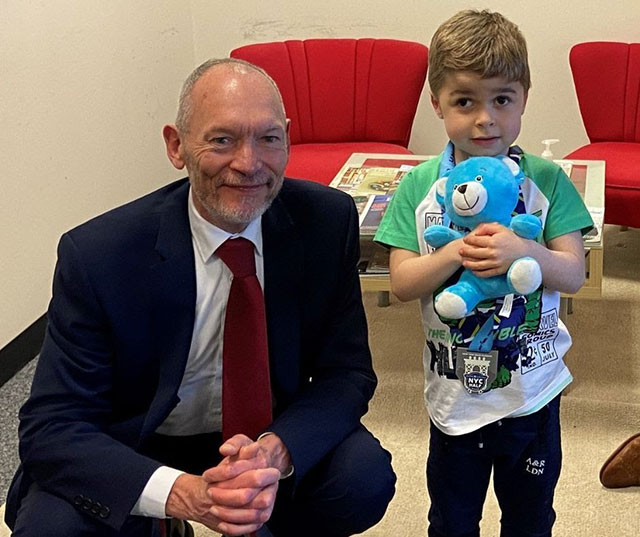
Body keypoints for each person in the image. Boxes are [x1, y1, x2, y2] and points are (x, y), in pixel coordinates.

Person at [5, 58, 396, 537]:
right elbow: (51, 424)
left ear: (287, 139)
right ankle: (161, 524)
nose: (249, 163)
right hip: (140, 439)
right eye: (222, 140)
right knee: (49, 530)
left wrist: (277, 450)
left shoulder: (325, 221)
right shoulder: (99, 254)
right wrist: (180, 495)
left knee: (363, 479)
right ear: (177, 146)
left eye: (269, 138)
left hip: (265, 432)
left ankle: (263, 518)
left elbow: (347, 372)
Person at [375, 9, 593, 537]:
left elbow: (573, 274)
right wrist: (458, 254)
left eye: (502, 99)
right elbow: (402, 284)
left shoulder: (547, 182)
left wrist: (526, 250)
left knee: (530, 516)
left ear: (524, 98)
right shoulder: (420, 186)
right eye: (464, 101)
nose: (485, 120)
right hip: (452, 397)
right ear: (437, 104)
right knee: (451, 520)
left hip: (532, 391)